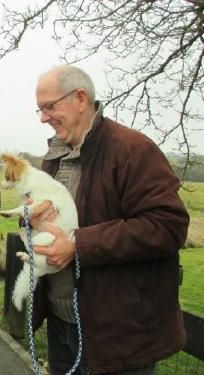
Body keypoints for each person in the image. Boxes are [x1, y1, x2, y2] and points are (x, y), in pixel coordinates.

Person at [28, 65, 189, 375]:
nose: (43, 118)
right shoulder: (54, 157)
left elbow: (168, 226)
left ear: (80, 98)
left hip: (118, 335)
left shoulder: (132, 150)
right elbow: (47, 218)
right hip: (61, 324)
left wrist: (78, 245)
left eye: (49, 107)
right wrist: (31, 219)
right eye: (40, 109)